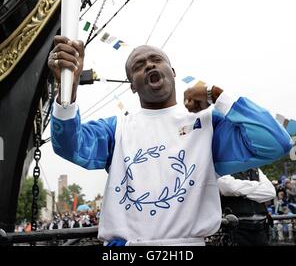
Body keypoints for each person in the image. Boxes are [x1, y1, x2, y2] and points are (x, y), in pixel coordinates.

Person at [49, 38, 292, 246]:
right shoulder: (116, 129)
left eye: (156, 59)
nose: (149, 64)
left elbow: (275, 142)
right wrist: (67, 86)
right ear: (132, 86)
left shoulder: (207, 125)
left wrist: (215, 94)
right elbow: (69, 145)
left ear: (173, 72)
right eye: (138, 65)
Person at [218, 168, 276, 246]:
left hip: (261, 229)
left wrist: (242, 193)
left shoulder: (256, 169)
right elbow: (229, 188)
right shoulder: (223, 167)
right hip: (236, 229)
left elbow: (271, 192)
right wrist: (257, 185)